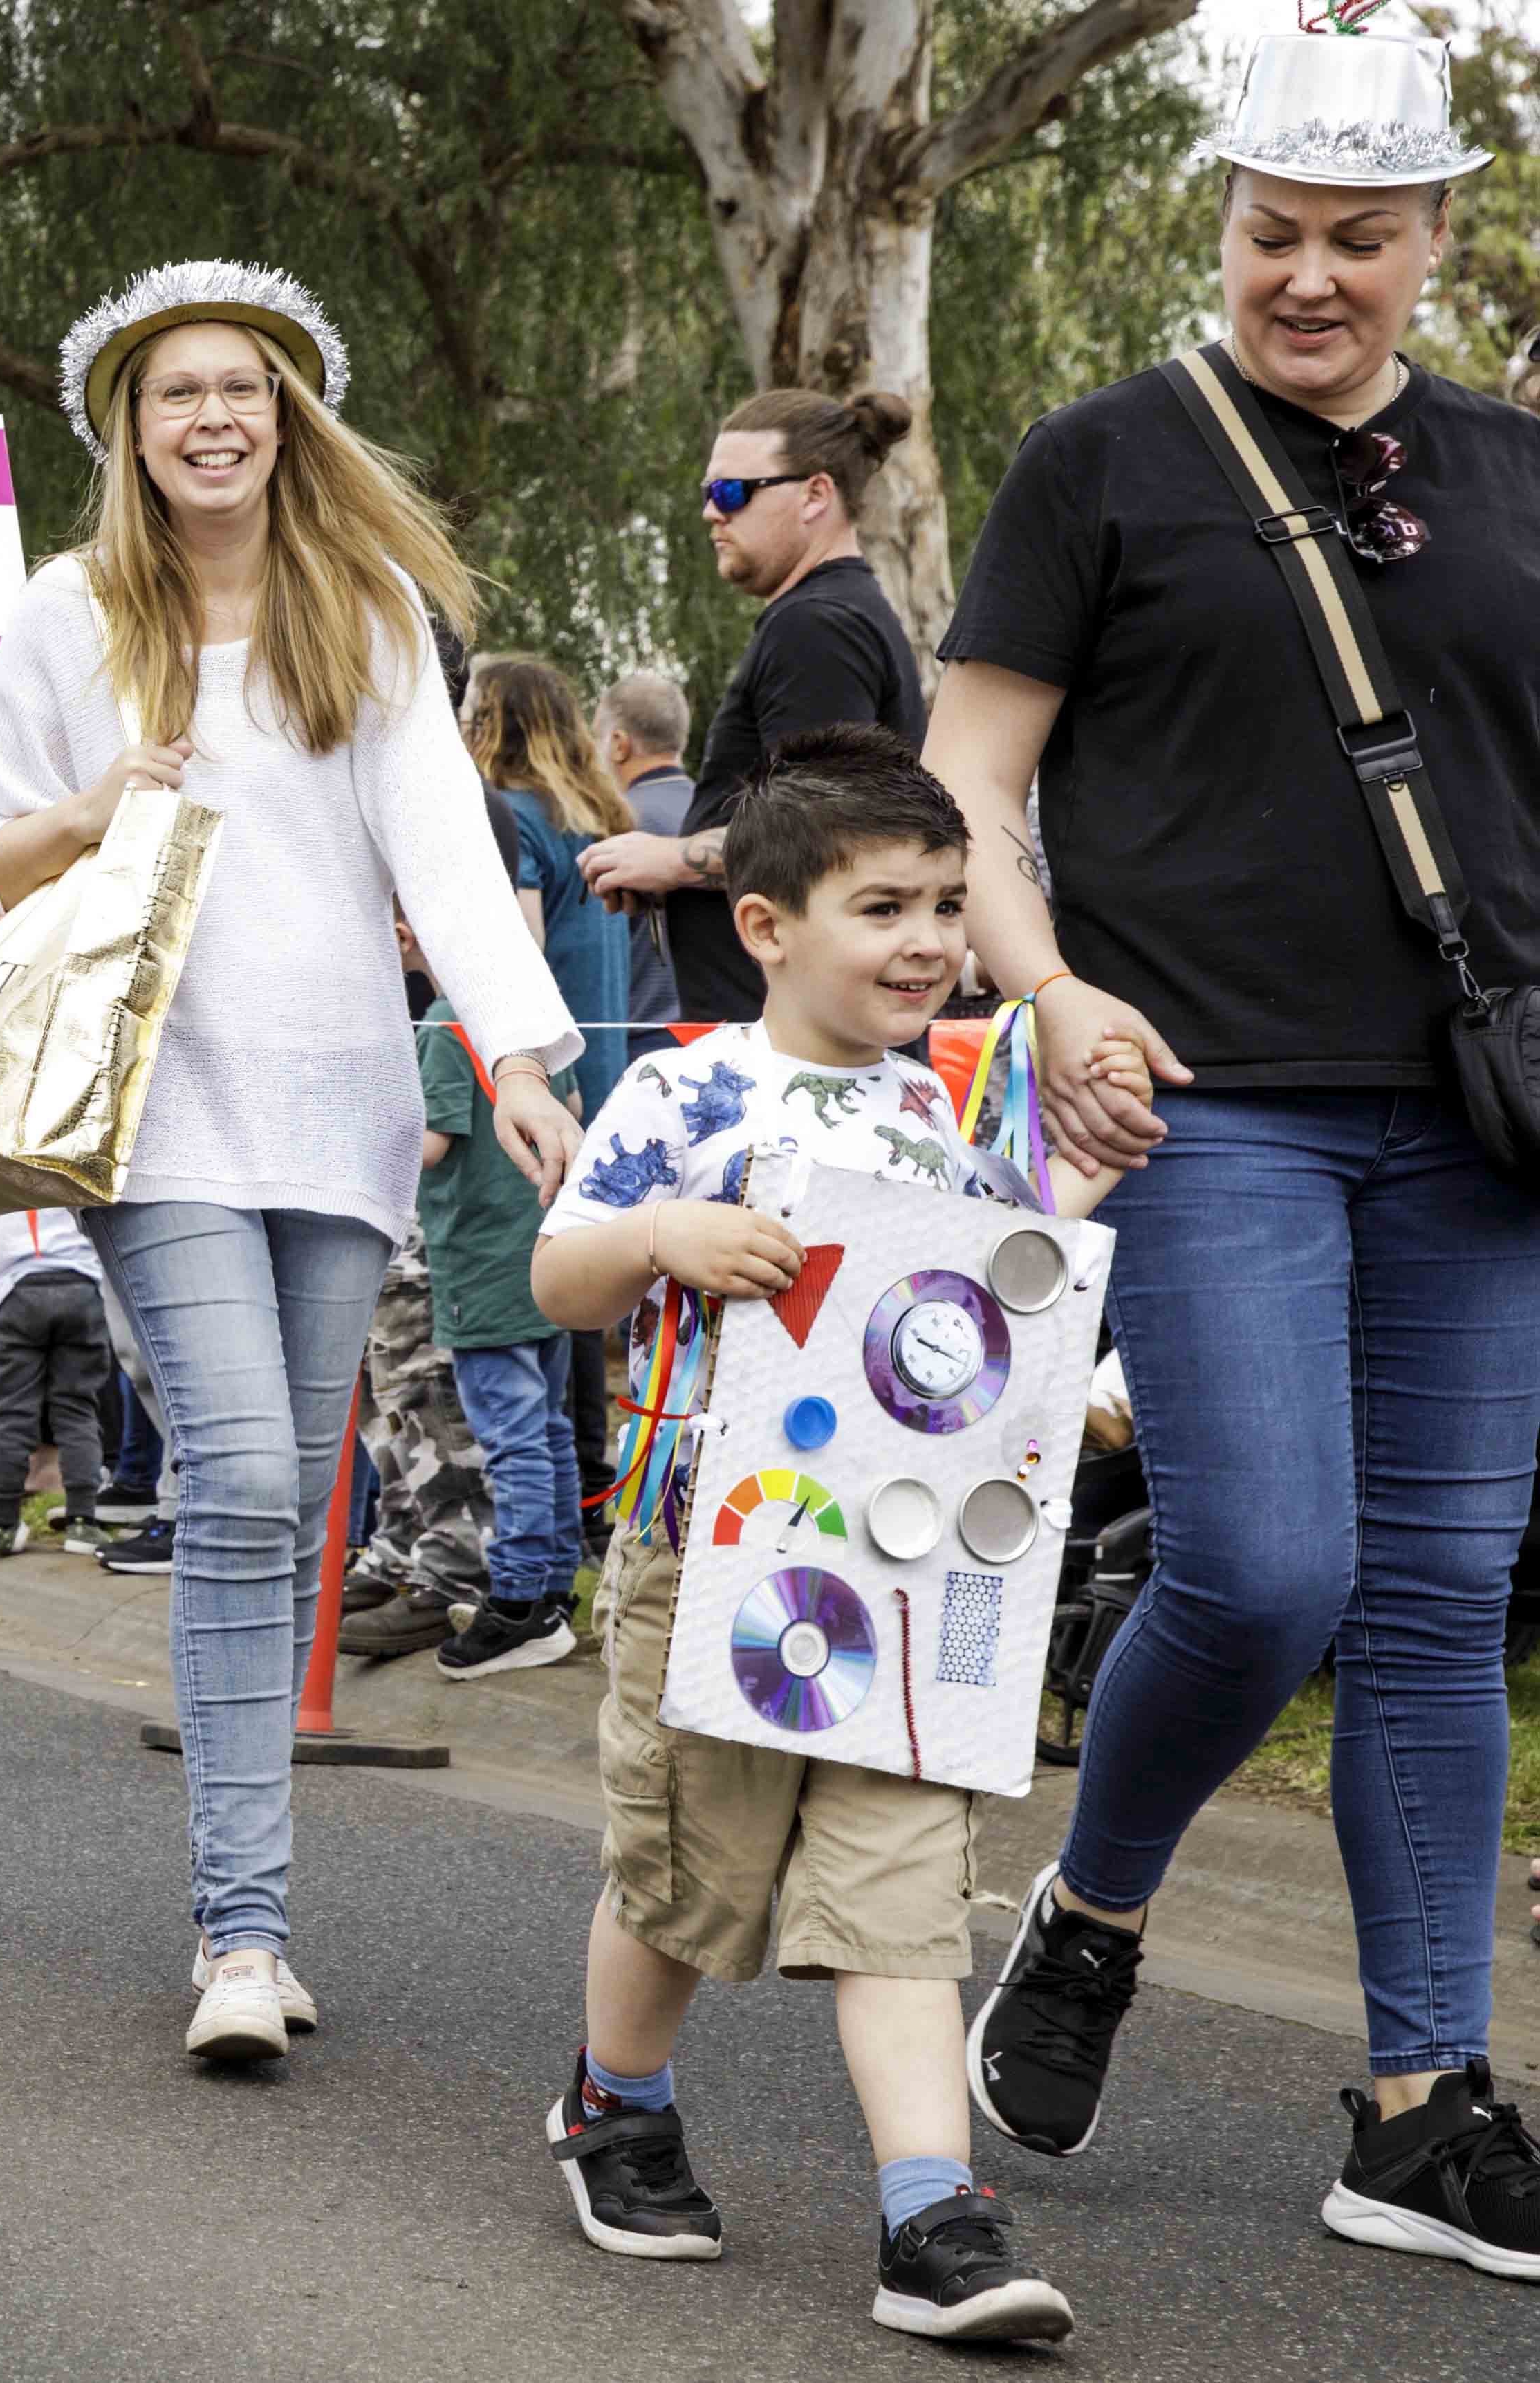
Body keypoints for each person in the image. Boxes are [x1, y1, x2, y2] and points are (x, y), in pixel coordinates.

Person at [928, 30, 1540, 2284]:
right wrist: (1044, 990)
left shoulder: (1509, 471)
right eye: (1269, 231)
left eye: (1356, 240)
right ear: (1221, 223)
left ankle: (1411, 2100)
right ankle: (1088, 1908)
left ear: (1427, 248)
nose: (1307, 277)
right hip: (1198, 1102)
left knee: (1434, 1606)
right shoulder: (1100, 460)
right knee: (1266, 1562)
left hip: (1475, 1124)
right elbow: (971, 779)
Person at [0, 259, 581, 2063]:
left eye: (242, 389)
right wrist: (75, 814)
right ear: (126, 430)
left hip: (342, 1109)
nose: (212, 417)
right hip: (154, 1109)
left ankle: (251, 1904)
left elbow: (442, 853)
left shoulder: (360, 609)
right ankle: (237, 1930)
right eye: (176, 393)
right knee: (226, 1472)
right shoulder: (65, 614)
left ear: (285, 415)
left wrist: (512, 1056)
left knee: (287, 1494)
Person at [530, 726, 1150, 2343]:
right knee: (688, 1874)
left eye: (948, 902)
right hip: (707, 1557)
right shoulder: (687, 1087)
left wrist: (1068, 1196)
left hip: (914, 1568)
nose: (932, 941)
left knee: (900, 1886)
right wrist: (664, 1233)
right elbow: (559, 1276)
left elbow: (985, 1294)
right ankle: (619, 2099)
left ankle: (931, 2214)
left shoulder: (954, 1099)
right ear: (765, 924)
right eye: (883, 907)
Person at [575, 392, 927, 1026]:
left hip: (795, 1047)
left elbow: (822, 828)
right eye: (708, 491)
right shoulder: (823, 617)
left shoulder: (816, 628)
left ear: (814, 495)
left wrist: (668, 861)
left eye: (733, 492)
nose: (711, 512)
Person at [411, 960, 584, 1681]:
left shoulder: (448, 1019)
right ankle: (552, 1588)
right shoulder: (531, 1012)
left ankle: (517, 1604)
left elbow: (429, 1142)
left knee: (513, 1441)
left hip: (479, 1261)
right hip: (544, 1251)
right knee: (548, 1430)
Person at [468, 655, 635, 1096]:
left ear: (491, 727)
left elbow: (523, 945)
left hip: (550, 1076)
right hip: (603, 1063)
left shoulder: (511, 818)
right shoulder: (597, 817)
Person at [0, 1204, 111, 1557]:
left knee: (11, 1413)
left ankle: (3, 1524)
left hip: (16, 1292)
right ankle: (82, 1521)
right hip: (81, 1287)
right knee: (78, 1407)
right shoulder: (75, 1155)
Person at [595, 674, 695, 1024]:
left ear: (619, 744)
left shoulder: (615, 824)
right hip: (725, 1025)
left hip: (643, 1032)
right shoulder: (722, 816)